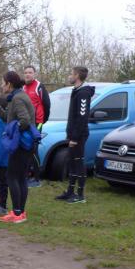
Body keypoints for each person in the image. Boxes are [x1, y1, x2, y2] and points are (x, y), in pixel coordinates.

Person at [0, 71, 35, 224]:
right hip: (25, 144)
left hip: (21, 144)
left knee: (12, 177)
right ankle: (20, 212)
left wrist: (12, 130)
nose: (1, 85)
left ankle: (17, 214)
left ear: (9, 84)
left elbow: (25, 121)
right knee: (20, 178)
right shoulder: (17, 97)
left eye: (3, 82)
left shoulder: (17, 99)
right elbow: (7, 118)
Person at [56, 66, 95, 204]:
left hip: (79, 135)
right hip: (73, 134)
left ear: (77, 75)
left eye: (71, 74)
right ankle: (70, 191)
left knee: (78, 162)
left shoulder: (83, 93)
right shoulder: (76, 90)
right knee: (72, 162)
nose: (69, 76)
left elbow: (82, 117)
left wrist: (75, 137)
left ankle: (80, 195)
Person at [22, 66, 51, 187]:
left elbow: (47, 104)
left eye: (30, 72)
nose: (27, 74)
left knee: (33, 149)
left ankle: (37, 178)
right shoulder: (23, 87)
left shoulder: (39, 86)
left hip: (37, 123)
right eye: (25, 72)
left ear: (34, 74)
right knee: (26, 148)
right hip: (26, 122)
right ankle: (27, 176)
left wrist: (42, 120)